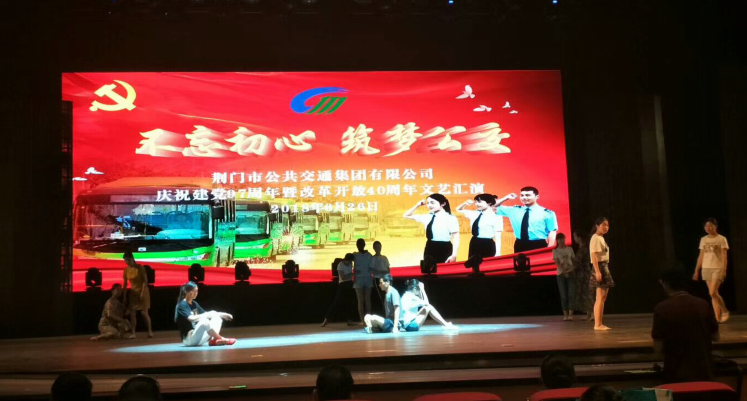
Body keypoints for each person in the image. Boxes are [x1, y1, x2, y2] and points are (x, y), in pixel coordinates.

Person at [653, 269, 719, 382]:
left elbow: (658, 348)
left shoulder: (662, 308)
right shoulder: (703, 304)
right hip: (703, 373)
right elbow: (716, 337)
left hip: (675, 374)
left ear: (665, 284)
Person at [495, 187, 558, 253]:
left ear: (537, 196)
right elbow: (492, 206)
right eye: (522, 195)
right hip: (519, 244)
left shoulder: (547, 213)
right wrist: (506, 197)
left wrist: (549, 248)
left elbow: (552, 231)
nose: (524, 197)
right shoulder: (514, 210)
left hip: (538, 244)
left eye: (528, 195)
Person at [174, 281, 236, 346]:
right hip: (189, 340)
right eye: (193, 291)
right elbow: (191, 319)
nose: (195, 293)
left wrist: (223, 314)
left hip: (198, 338)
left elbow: (207, 314)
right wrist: (207, 314)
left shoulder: (194, 304)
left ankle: (214, 340)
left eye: (196, 291)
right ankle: (221, 338)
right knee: (204, 321)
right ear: (186, 291)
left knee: (217, 319)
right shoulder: (182, 305)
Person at [692, 218, 730, 323]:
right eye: (706, 226)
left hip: (717, 268)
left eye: (710, 226)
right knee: (713, 294)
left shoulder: (721, 239)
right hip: (706, 267)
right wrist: (696, 270)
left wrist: (724, 270)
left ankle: (725, 311)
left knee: (712, 292)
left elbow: (724, 256)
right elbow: (701, 256)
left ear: (715, 226)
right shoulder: (703, 239)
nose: (708, 228)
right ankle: (717, 318)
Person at [403, 194, 460, 263]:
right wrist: (417, 205)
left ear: (443, 204)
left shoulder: (450, 218)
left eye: (432, 203)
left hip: (445, 247)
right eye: (428, 203)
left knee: (443, 268)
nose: (429, 205)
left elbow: (456, 237)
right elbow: (406, 215)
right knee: (428, 268)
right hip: (430, 246)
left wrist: (454, 255)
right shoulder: (427, 217)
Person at [456, 194, 503, 259]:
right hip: (474, 242)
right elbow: (458, 209)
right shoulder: (474, 213)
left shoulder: (496, 217)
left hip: (487, 244)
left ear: (489, 203)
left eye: (479, 202)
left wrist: (498, 253)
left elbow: (498, 237)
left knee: (486, 264)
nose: (477, 204)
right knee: (473, 263)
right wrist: (465, 203)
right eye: (476, 202)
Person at [122, 252, 153, 338]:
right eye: (125, 260)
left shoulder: (140, 268)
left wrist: (142, 293)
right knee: (132, 313)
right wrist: (124, 296)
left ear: (132, 258)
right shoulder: (126, 270)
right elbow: (125, 284)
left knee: (144, 313)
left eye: (128, 260)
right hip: (133, 293)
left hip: (143, 291)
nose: (127, 262)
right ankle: (133, 333)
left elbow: (145, 281)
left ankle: (150, 331)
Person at [321, 254, 356, 327]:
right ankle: (326, 320)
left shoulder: (350, 264)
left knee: (350, 303)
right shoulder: (340, 265)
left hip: (350, 283)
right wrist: (353, 274)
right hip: (342, 285)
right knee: (336, 303)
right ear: (346, 260)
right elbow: (343, 277)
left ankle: (349, 320)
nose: (350, 263)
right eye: (349, 261)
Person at [590, 217, 613, 331]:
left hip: (603, 266)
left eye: (607, 225)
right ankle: (598, 324)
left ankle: (599, 323)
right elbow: (593, 255)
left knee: (602, 297)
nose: (606, 227)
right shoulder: (595, 238)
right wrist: (598, 271)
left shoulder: (600, 238)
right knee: (600, 297)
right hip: (600, 267)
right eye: (603, 225)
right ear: (597, 225)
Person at [552, 233, 576, 321]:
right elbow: (557, 263)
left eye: (562, 239)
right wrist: (564, 270)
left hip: (571, 272)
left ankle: (571, 314)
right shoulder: (555, 251)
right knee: (563, 295)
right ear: (557, 240)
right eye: (559, 239)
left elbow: (574, 260)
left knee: (571, 294)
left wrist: (571, 269)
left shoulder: (569, 249)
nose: (561, 241)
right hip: (560, 274)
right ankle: (565, 315)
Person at [572, 231, 594, 321]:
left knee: (587, 293)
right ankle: (589, 314)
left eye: (575, 236)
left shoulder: (584, 249)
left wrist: (569, 268)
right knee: (585, 293)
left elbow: (578, 262)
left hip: (584, 273)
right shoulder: (583, 248)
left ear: (579, 238)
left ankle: (593, 313)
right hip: (583, 272)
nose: (574, 238)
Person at [352, 239, 373, 324]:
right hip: (365, 278)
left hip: (360, 279)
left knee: (362, 301)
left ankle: (363, 321)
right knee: (366, 300)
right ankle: (367, 320)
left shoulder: (355, 255)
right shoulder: (368, 255)